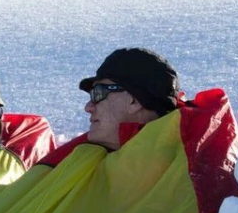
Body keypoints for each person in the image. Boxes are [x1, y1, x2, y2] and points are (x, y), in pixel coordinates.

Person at [40, 47, 179, 166]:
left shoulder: (178, 174)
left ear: (134, 101)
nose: (88, 107)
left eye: (98, 93)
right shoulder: (89, 162)